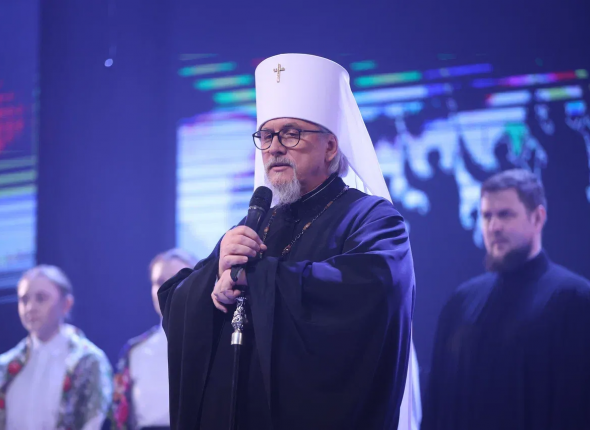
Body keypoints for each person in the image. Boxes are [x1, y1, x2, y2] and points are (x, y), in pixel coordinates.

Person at [159, 53, 419, 430]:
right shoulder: (253, 225)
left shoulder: (372, 219)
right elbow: (175, 301)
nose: (275, 147)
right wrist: (213, 282)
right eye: (266, 136)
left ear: (331, 147)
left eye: (291, 133)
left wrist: (257, 278)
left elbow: (372, 291)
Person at [422, 168, 590, 430]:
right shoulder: (461, 304)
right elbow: (436, 406)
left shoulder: (575, 300)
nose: (494, 226)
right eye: (486, 216)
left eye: (505, 214)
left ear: (537, 217)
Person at [0, 265, 113, 430]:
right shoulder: (6, 365)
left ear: (66, 304)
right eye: (24, 300)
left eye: (41, 298)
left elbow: (95, 420)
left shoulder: (88, 361)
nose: (30, 307)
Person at [111, 248, 198, 430]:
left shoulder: (217, 345)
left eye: (177, 279)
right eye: (159, 281)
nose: (166, 287)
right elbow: (119, 419)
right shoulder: (134, 352)